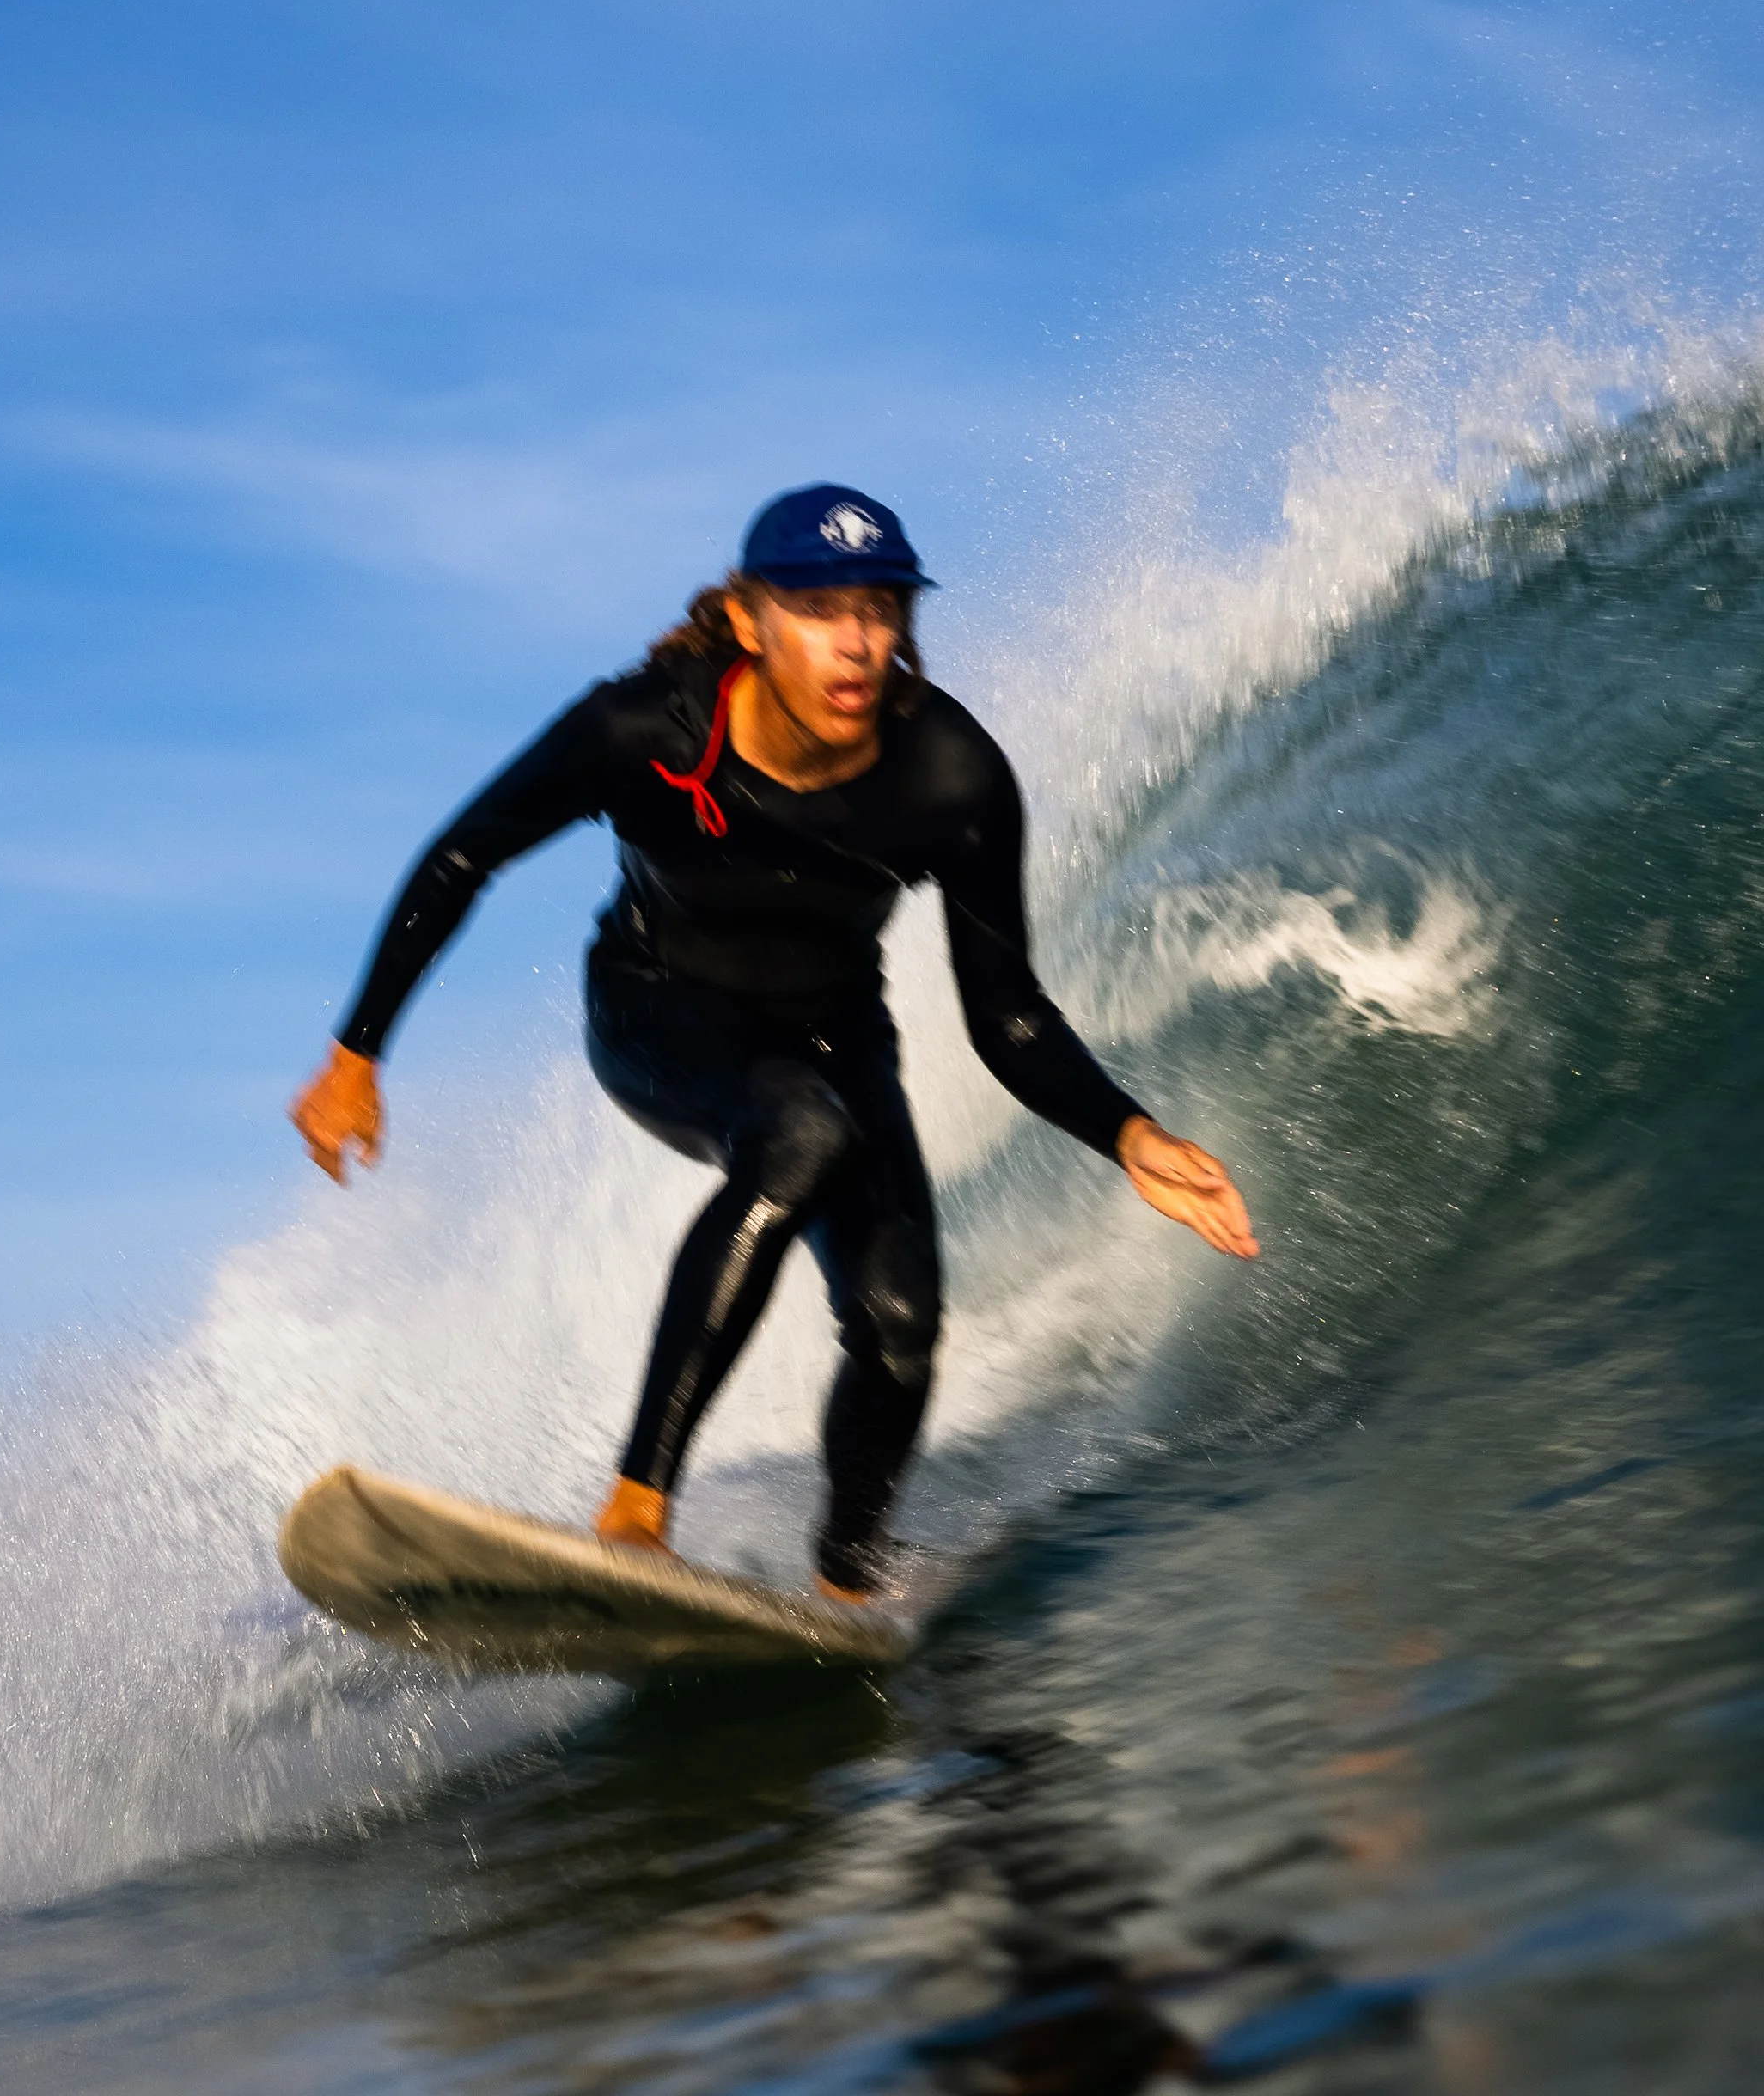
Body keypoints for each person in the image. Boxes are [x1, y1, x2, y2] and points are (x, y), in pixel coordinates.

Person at [290, 486, 1256, 1598]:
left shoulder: (950, 775)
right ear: (749, 621)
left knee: (900, 1327)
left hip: (841, 1032)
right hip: (656, 1009)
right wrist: (357, 1055)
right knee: (798, 1133)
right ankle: (636, 1510)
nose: (855, 642)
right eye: (817, 608)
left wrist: (1128, 1133)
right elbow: (468, 854)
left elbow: (1009, 1012)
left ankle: (850, 1578)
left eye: (880, 610)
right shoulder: (643, 727)